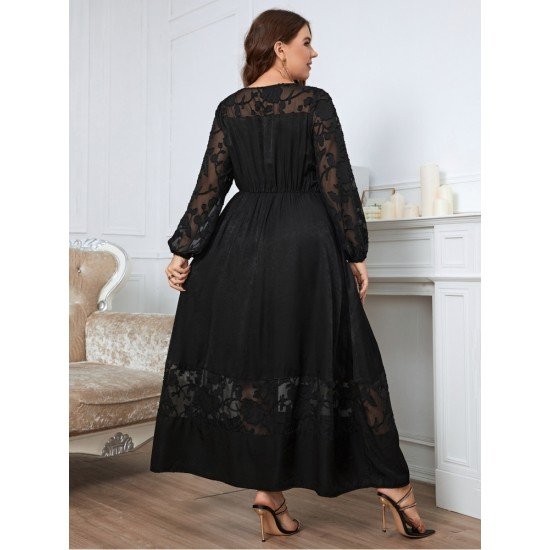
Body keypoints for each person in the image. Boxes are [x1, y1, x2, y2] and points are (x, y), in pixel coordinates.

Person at [150, 8, 435, 541]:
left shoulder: (230, 108)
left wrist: (183, 250)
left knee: (262, 362)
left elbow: (210, 186)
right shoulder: (314, 103)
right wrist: (356, 250)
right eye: (307, 41)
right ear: (279, 47)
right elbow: (336, 182)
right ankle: (394, 487)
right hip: (304, 242)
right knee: (341, 355)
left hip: (239, 246)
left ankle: (269, 493)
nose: (314, 51)